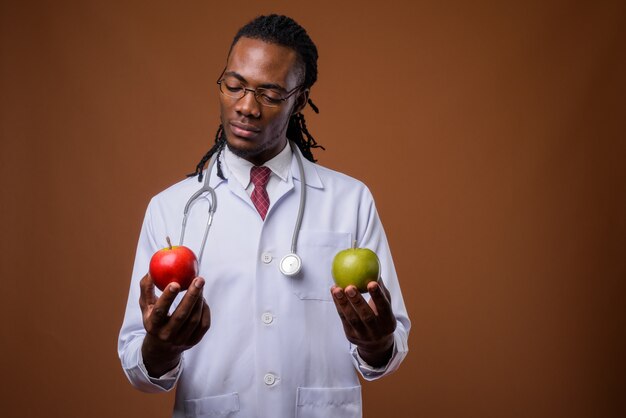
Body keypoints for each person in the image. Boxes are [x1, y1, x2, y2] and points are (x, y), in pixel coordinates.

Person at [118, 14, 410, 418]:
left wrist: (377, 344)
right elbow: (137, 362)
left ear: (299, 99)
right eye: (234, 86)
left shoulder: (350, 199)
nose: (246, 107)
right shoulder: (169, 208)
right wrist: (161, 348)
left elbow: (388, 351)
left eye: (270, 94)